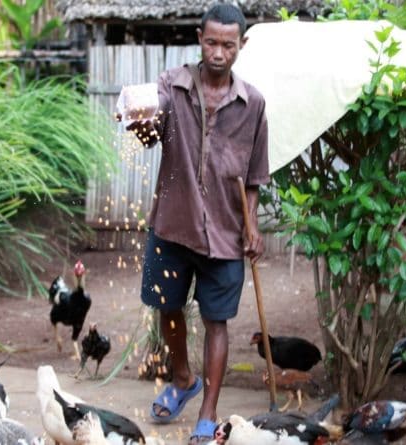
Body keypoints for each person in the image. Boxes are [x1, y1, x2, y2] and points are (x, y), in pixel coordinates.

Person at [124, 3, 269, 444]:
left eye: (228, 45)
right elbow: (149, 133)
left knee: (216, 322)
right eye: (211, 42)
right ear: (199, 38)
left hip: (225, 233)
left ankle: (208, 411)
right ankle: (183, 378)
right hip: (172, 224)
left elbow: (255, 175)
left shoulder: (253, 104)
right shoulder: (173, 84)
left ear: (241, 45)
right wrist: (139, 118)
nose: (219, 53)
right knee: (167, 308)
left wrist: (254, 226)